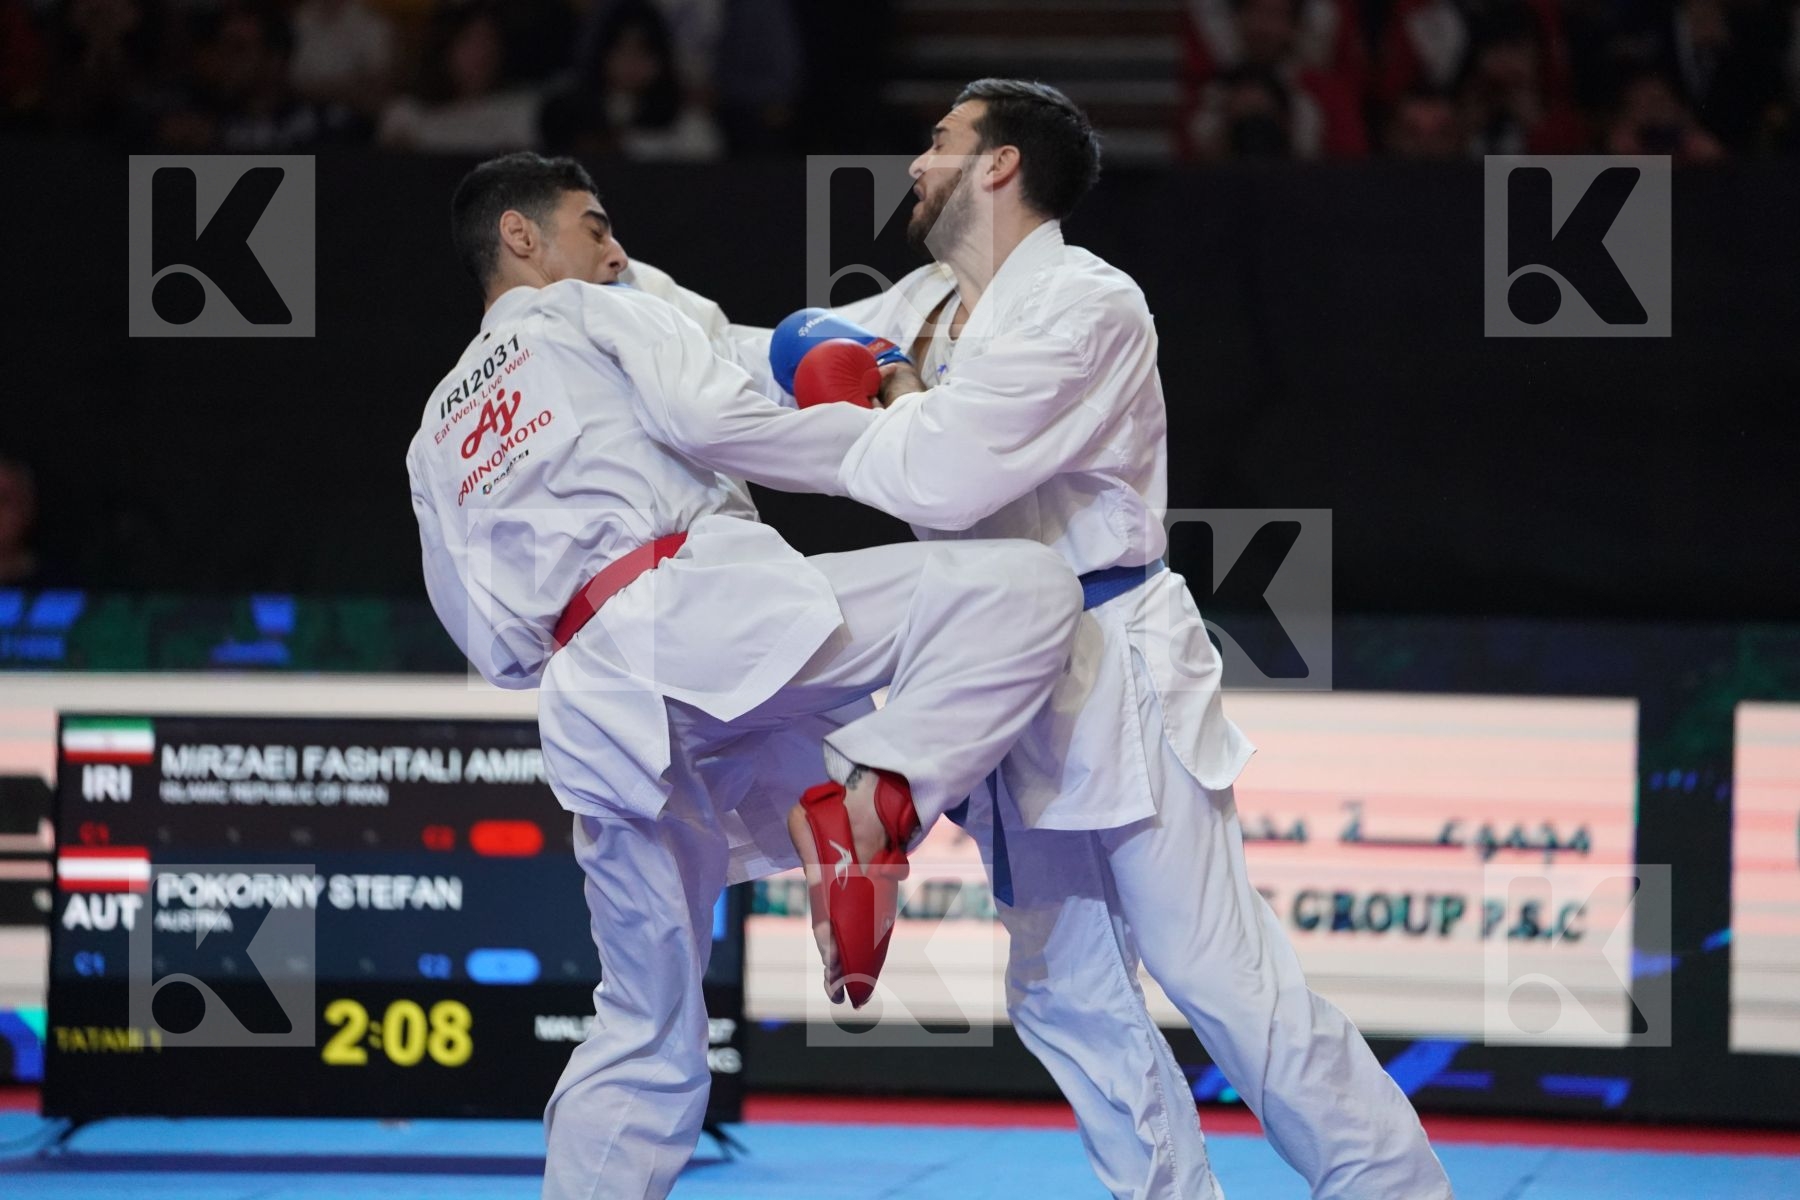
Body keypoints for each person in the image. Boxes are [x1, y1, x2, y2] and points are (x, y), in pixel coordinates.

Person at [799, 80, 1453, 1199]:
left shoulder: (1087, 303)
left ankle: (1395, 1190)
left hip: (1115, 660)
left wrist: (887, 390)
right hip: (1003, 684)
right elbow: (786, 356)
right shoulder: (914, 300)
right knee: (1061, 987)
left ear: (1000, 167)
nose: (917, 162)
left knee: (1220, 974)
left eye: (942, 142)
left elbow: (947, 477)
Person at [405, 151, 1081, 1200]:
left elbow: (489, 646)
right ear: (521, 238)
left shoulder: (435, 431)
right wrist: (884, 440)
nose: (614, 247)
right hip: (713, 620)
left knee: (645, 1025)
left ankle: (862, 811)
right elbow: (715, 420)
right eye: (594, 224)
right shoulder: (589, 310)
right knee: (1027, 591)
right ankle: (872, 804)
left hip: (594, 707)